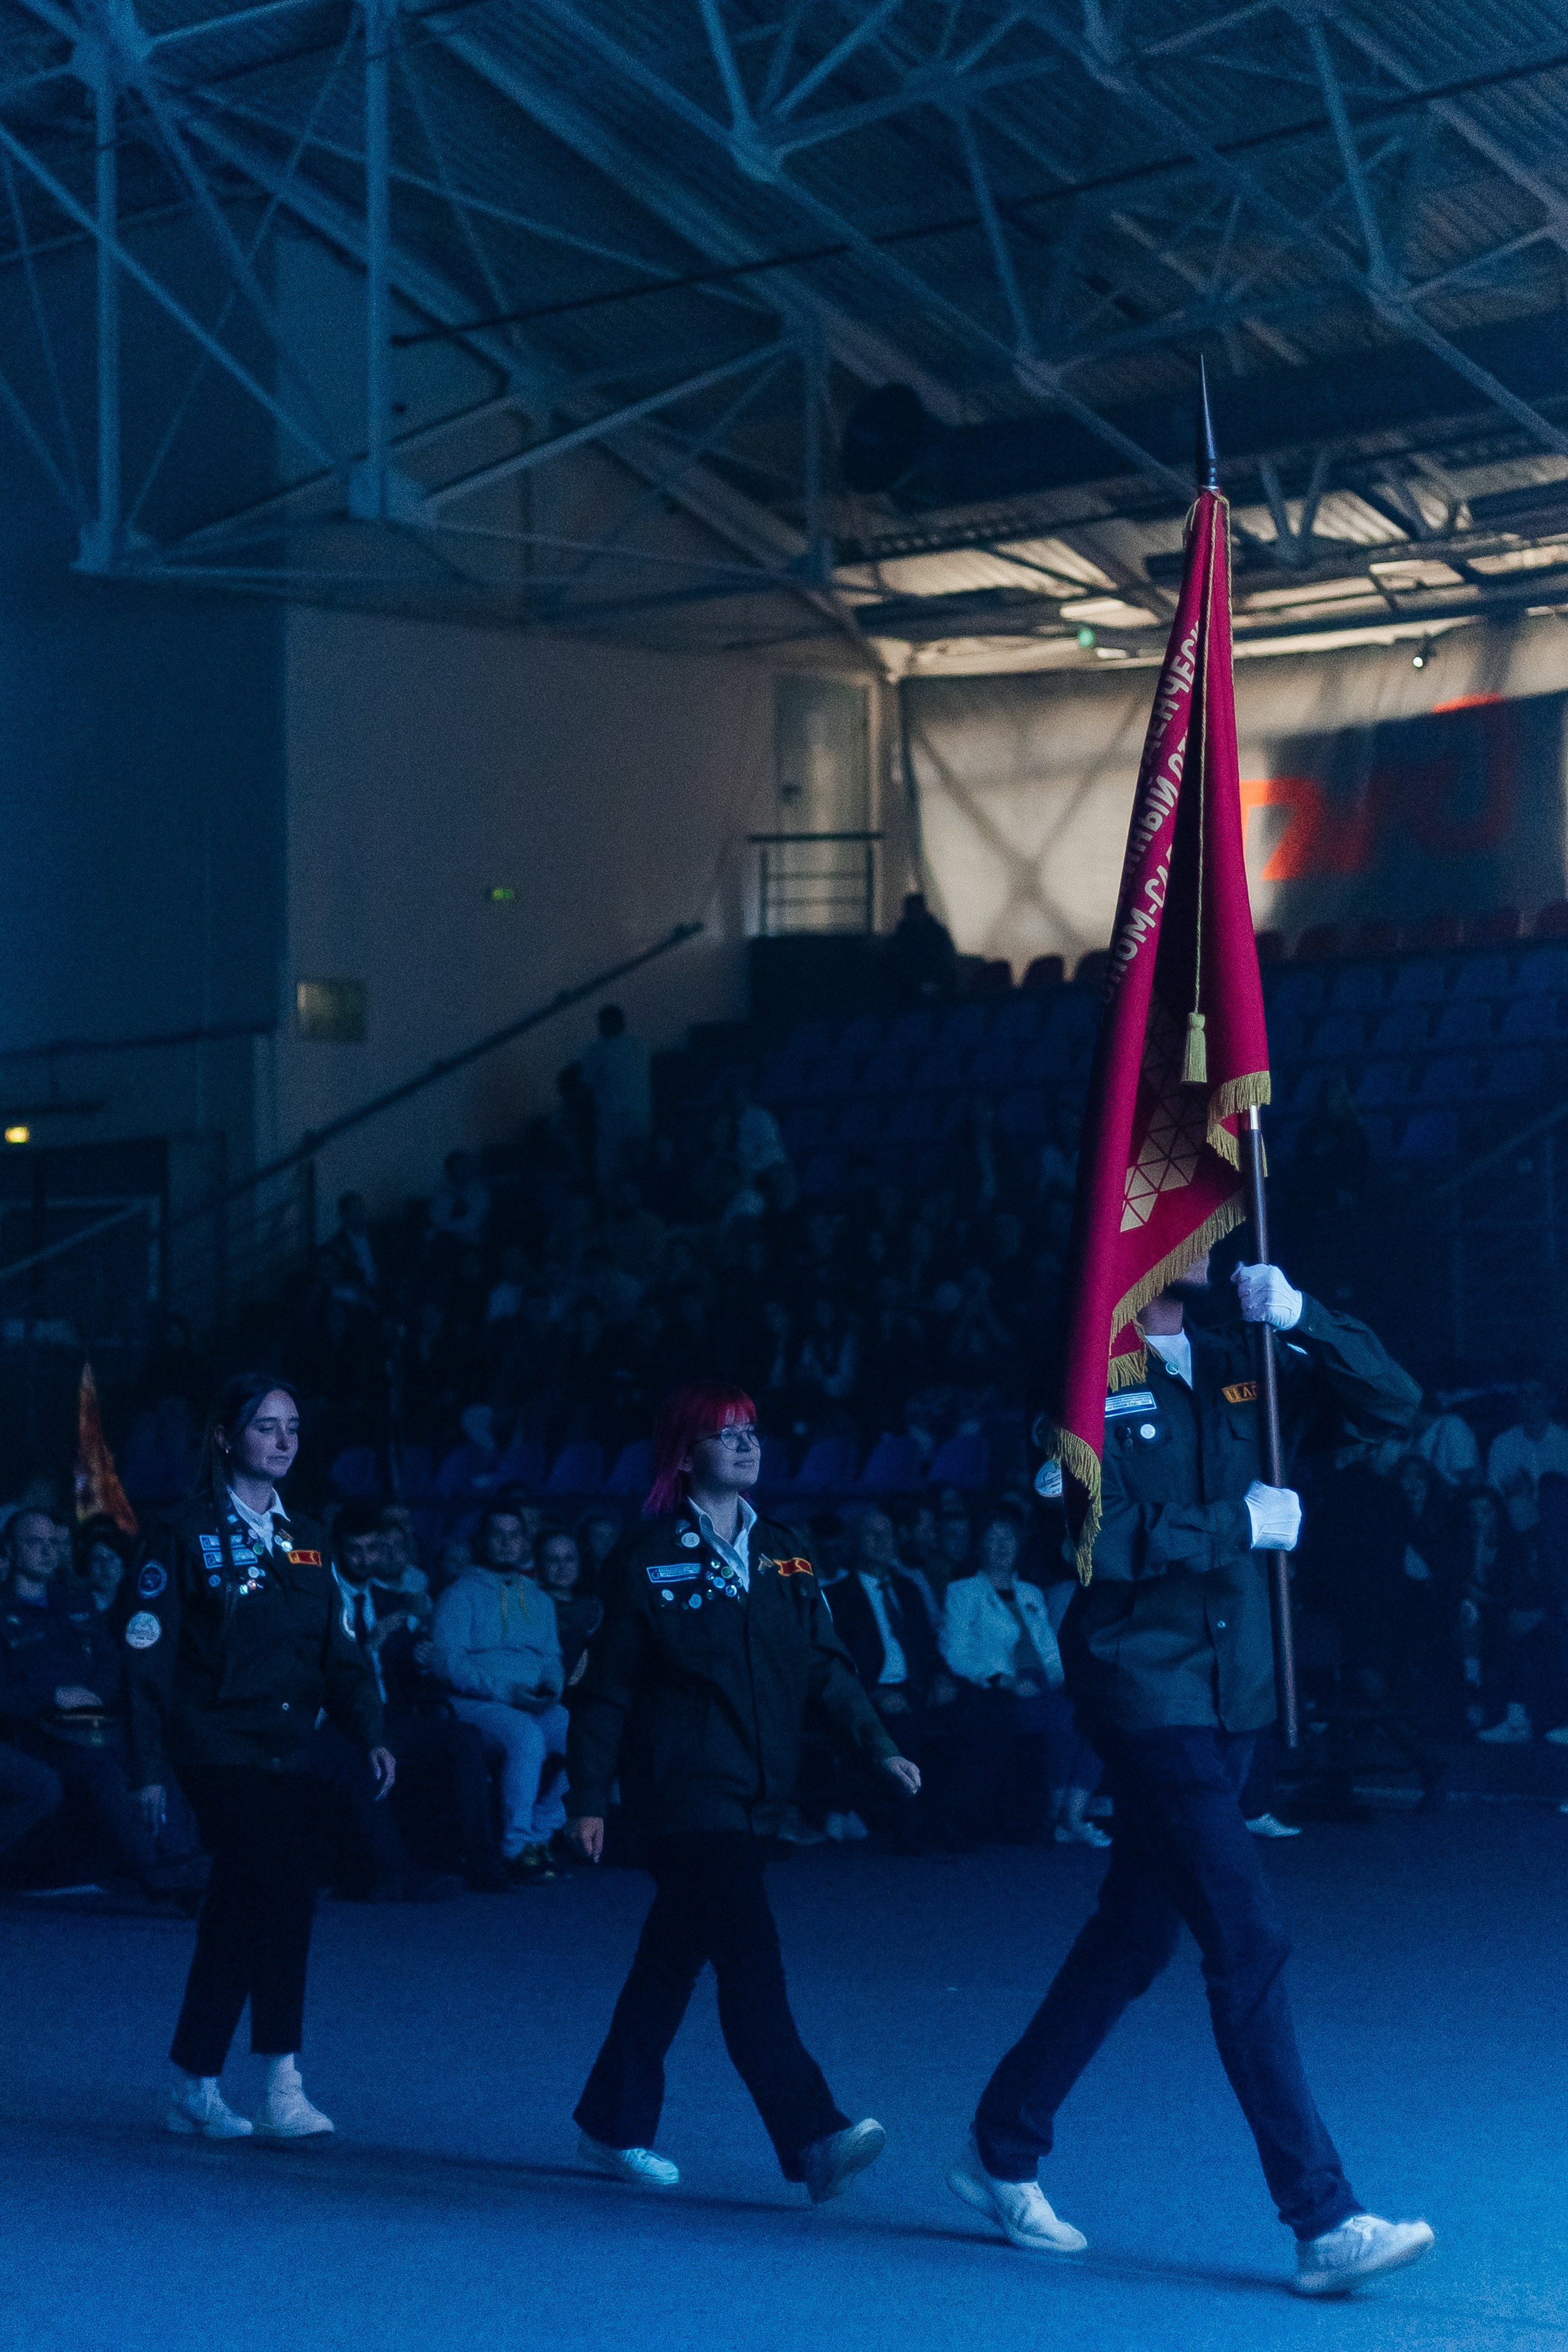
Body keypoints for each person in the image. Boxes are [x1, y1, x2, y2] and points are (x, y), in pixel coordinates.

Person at [951, 1255, 1435, 2298]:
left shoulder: (1242, 1362)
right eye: (1188, 1214)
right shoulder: (1085, 1384)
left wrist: (1305, 1315)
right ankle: (1322, 2218)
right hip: (1146, 1689)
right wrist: (1236, 1526)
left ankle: (1000, 2144)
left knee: (1131, 1938)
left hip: (1234, 1694)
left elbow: (1393, 1403)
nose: (1210, 1235)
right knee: (1247, 1937)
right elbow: (1087, 1537)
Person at [565, 1381, 921, 2200]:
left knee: (668, 1962)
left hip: (758, 1794)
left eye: (751, 1431)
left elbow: (825, 1666)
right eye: (724, 1434)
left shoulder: (785, 1549)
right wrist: (587, 1796)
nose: (745, 1445)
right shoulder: (646, 1555)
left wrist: (876, 1745)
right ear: (684, 1452)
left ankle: (609, 2122)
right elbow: (607, 1687)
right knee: (749, 1959)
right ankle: (812, 2134)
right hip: (683, 1796)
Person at [124, 1375, 392, 2143]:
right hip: (214, 1744)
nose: (283, 1441)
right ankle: (281, 2079)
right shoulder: (179, 1533)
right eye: (266, 1426)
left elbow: (338, 1654)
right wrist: (146, 1769)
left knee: (245, 1907)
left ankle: (193, 2078)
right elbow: (146, 1659)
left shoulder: (307, 1536)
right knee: (280, 1881)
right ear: (224, 1436)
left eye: (293, 1428)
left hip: (289, 1746)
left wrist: (370, 1730)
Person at [0, 1510, 206, 1901]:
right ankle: (153, 1869)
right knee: (98, 1762)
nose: (46, 1552)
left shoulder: (75, 1602)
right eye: (34, 1543)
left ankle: (184, 1856)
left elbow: (111, 1664)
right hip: (33, 1729)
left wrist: (93, 1694)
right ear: (11, 1549)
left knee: (148, 1751)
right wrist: (54, 1697)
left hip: (92, 1718)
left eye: (53, 1543)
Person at [939, 1505, 1105, 1848]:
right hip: (997, 1690)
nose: (1002, 1546)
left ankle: (1068, 1816)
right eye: (994, 1538)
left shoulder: (1031, 1593)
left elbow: (1048, 1650)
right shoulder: (962, 1592)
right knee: (1063, 1718)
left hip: (1042, 1685)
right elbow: (955, 1651)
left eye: (1009, 1538)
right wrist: (1003, 1679)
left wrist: (1064, 1683)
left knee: (1096, 1715)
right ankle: (1063, 1819)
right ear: (980, 1545)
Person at [430, 1502, 568, 1884]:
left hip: (530, 1699)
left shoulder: (538, 1596)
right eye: (498, 1535)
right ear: (483, 1541)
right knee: (526, 1735)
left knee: (586, 1735)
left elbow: (552, 1656)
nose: (507, 1543)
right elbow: (449, 1664)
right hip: (474, 1702)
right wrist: (507, 1692)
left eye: (515, 1535)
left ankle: (539, 1835)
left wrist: (552, 1689)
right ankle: (514, 1848)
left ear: (525, 1541)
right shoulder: (461, 1594)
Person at [579, 1005, 652, 1191]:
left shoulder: (598, 1051)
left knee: (609, 1179)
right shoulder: (640, 1048)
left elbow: (584, 1090)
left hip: (615, 1124)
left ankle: (611, 1217)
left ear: (604, 1025)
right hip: (642, 1121)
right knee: (637, 1176)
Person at [1486, 1376, 1568, 1534]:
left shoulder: (1564, 1442)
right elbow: (1494, 1494)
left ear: (1550, 1400)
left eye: (1536, 1395)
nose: (1529, 1401)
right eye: (1524, 1395)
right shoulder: (1503, 1444)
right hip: (1518, 1526)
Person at [535, 1526, 603, 1686]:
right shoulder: (529, 1606)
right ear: (541, 1564)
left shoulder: (594, 1608)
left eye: (569, 1559)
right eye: (553, 1560)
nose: (562, 1567)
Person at [883, 891, 958, 1006]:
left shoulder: (936, 933)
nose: (913, 914)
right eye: (910, 911)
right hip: (909, 982)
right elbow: (895, 957)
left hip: (933, 980)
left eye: (915, 910)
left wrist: (936, 981)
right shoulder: (903, 932)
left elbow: (946, 960)